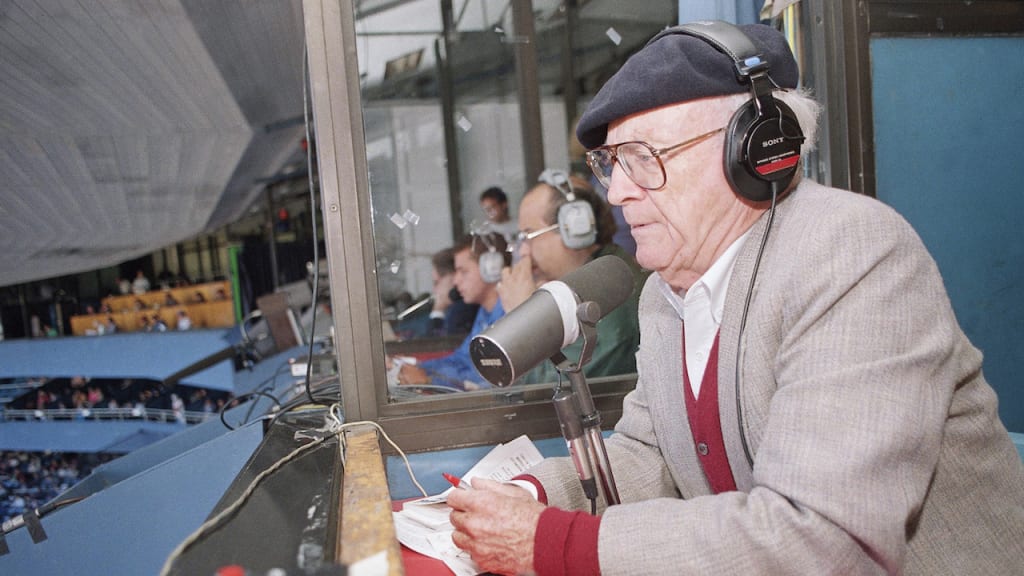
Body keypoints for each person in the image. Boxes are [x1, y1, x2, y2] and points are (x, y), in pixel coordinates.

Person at [447, 21, 1024, 575]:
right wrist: (531, 495)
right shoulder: (665, 293)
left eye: (643, 157)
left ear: (753, 149)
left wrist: (549, 541)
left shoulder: (855, 255)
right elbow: (652, 457)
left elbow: (822, 542)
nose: (617, 193)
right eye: (611, 163)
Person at [498, 171, 645, 383]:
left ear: (575, 228)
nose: (523, 251)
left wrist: (523, 321)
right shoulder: (584, 285)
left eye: (529, 235)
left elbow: (556, 390)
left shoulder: (610, 291)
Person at [394, 232, 510, 390]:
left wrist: (429, 380)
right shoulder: (485, 312)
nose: (456, 280)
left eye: (463, 271)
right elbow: (461, 359)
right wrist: (414, 366)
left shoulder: (509, 314)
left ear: (492, 268)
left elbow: (487, 382)